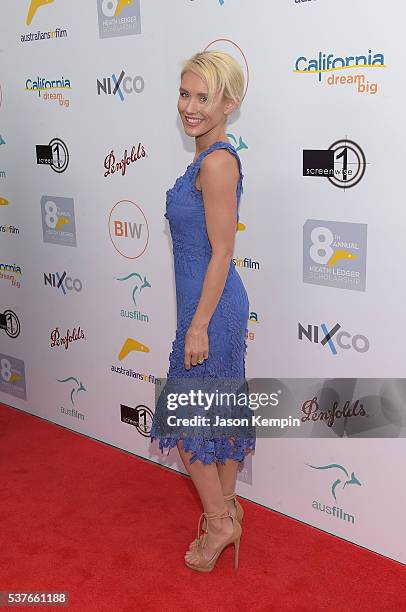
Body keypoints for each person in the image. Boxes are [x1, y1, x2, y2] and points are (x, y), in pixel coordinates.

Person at [150, 50, 256, 572]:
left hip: (210, 312)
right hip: (210, 306)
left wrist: (197, 325)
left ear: (230, 103)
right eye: (185, 93)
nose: (189, 106)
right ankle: (229, 514)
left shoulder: (216, 162)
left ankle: (218, 524)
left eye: (203, 97)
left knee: (187, 421)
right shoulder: (206, 154)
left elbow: (222, 251)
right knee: (218, 414)